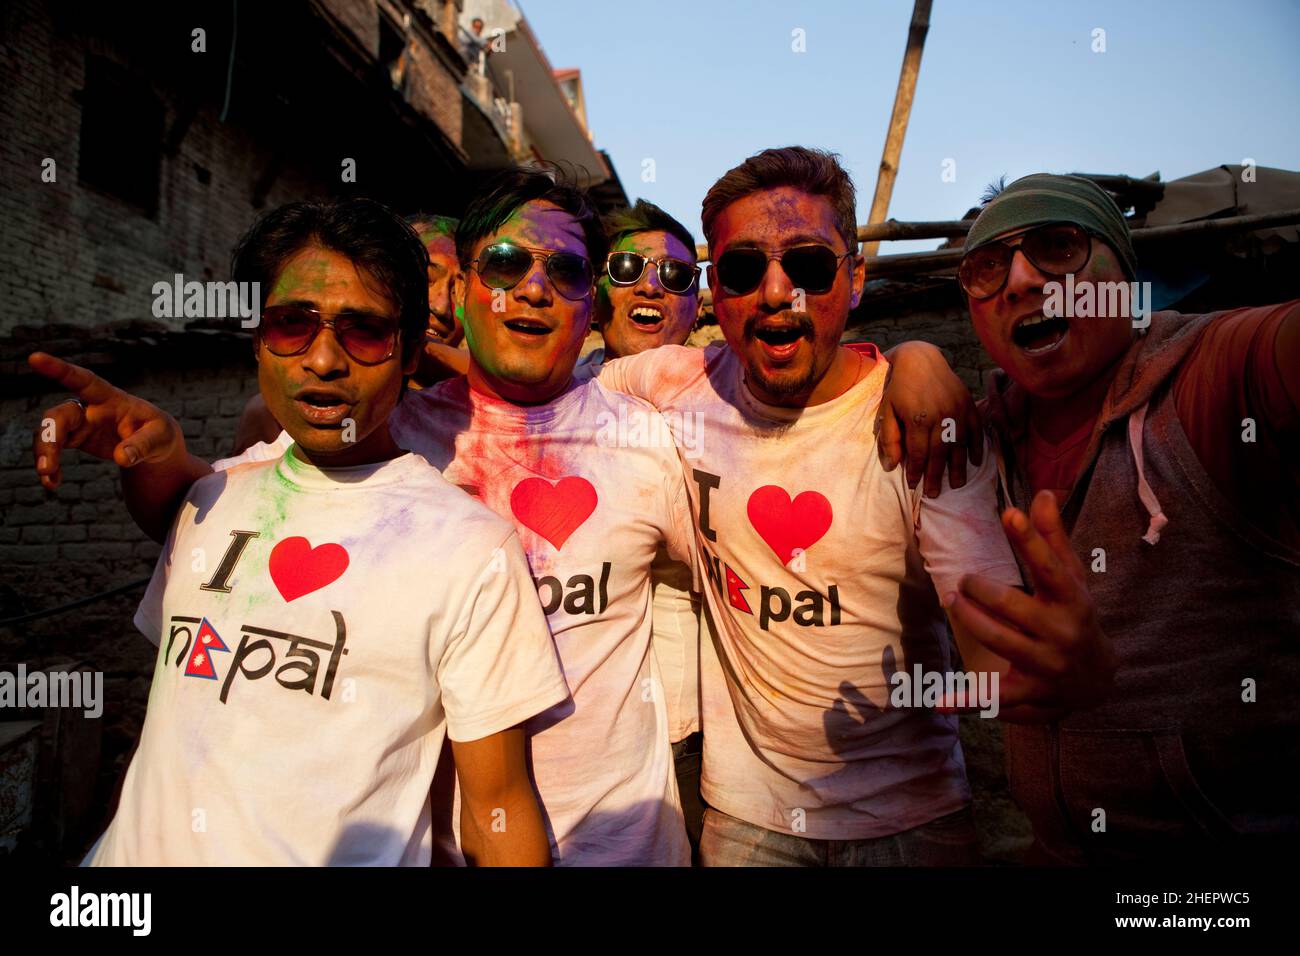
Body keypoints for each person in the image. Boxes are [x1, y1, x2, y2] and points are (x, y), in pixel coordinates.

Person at [595, 147, 1115, 866]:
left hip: (912, 822)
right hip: (748, 821)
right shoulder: (680, 383)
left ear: (857, 278)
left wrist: (1055, 673)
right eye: (745, 269)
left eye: (808, 265)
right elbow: (554, 394)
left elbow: (990, 649)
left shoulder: (925, 428)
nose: (778, 292)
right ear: (719, 292)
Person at [29, 197, 568, 865]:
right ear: (257, 341)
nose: (323, 360)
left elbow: (499, 807)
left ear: (406, 355)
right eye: (292, 325)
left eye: (363, 331)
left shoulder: (468, 550)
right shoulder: (211, 497)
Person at [952, 172, 1300, 864]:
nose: (1020, 280)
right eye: (986, 267)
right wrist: (913, 360)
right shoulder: (977, 444)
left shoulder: (1218, 375)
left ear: (1125, 273)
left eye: (1058, 246)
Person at [577, 198, 707, 855]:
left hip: (699, 730)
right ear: (598, 289)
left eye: (676, 276)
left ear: (698, 303)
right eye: (629, 267)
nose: (651, 284)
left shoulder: (728, 404)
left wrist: (916, 360)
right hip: (580, 736)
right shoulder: (553, 400)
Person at [230, 212, 469, 455]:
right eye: (427, 280)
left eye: (459, 290)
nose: (441, 307)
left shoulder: (475, 421)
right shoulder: (273, 415)